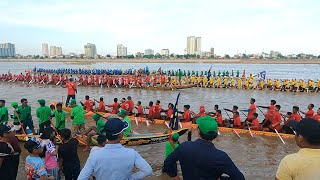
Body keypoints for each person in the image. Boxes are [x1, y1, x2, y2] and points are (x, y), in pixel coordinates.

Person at [163, 115, 245, 180]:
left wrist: (174, 176)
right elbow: (240, 178)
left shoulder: (184, 147)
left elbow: (168, 162)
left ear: (198, 131)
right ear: (215, 135)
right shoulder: (221, 157)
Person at [78, 118, 152, 180]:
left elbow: (81, 178)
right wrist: (131, 178)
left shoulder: (95, 155)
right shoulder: (132, 153)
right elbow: (148, 170)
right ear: (120, 135)